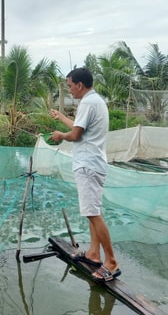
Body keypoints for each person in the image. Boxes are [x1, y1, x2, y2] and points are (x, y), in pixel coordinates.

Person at [49, 67, 120, 282]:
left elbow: (76, 134)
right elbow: (79, 127)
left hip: (88, 165)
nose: (69, 90)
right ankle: (93, 253)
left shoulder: (88, 103)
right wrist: (61, 117)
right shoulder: (94, 101)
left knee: (93, 213)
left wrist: (61, 135)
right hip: (93, 163)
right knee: (92, 211)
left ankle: (111, 262)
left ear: (80, 85)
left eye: (70, 85)